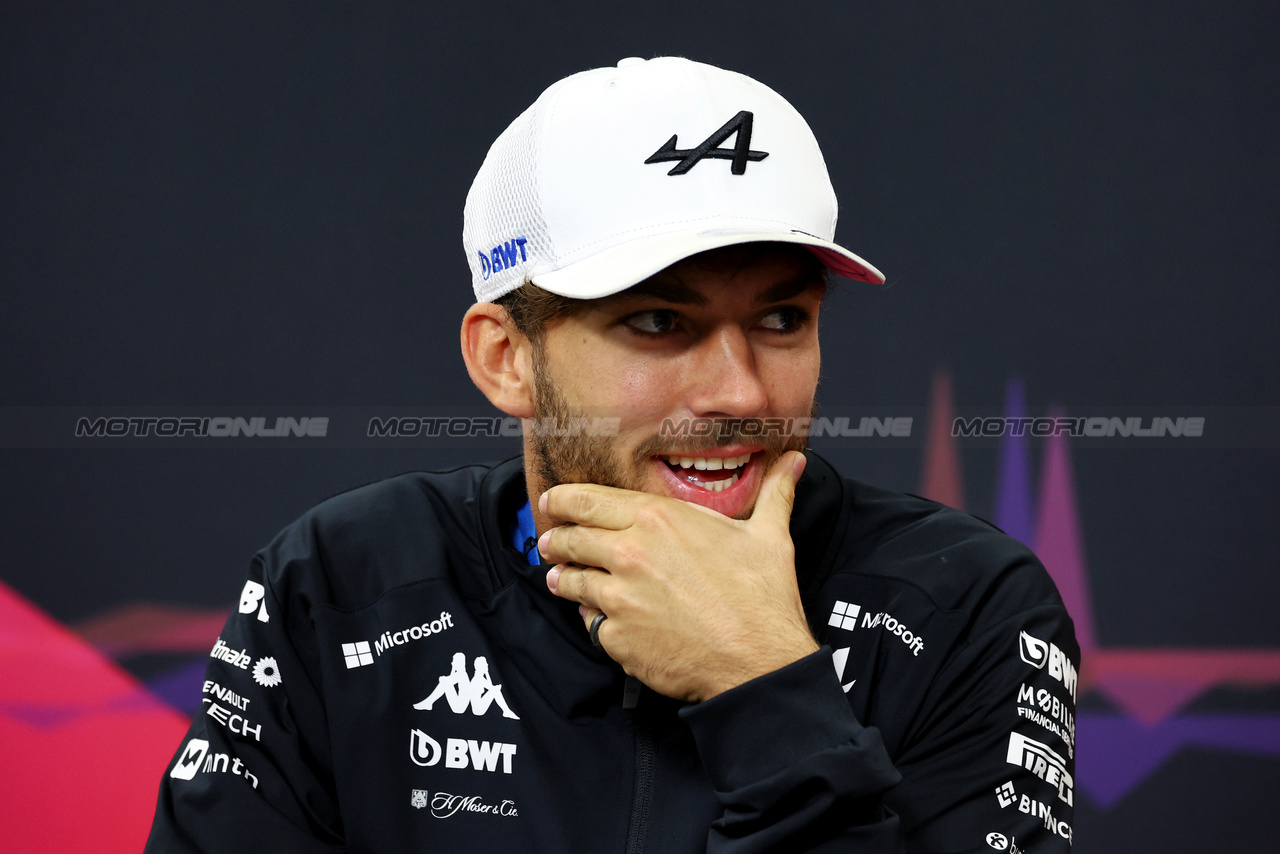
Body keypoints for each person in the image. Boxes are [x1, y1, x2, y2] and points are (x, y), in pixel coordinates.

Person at [146, 57, 1078, 852]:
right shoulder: (344, 584)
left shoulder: (964, 605)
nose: (742, 392)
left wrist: (764, 691)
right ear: (505, 358)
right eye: (659, 322)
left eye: (782, 318)